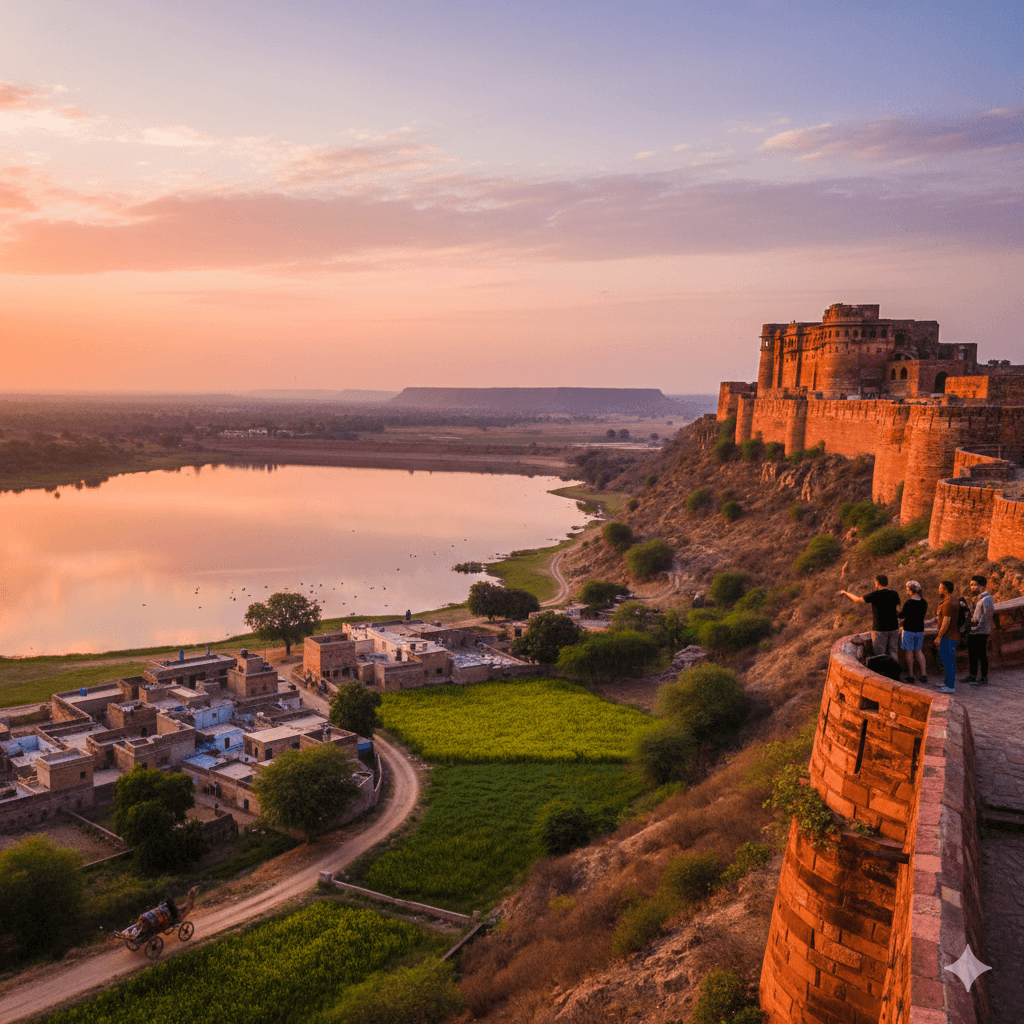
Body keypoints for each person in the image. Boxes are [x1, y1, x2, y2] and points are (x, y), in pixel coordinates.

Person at [839, 574, 901, 658]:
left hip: (880, 629)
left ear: (877, 582)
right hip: (894, 627)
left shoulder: (875, 595)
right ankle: (895, 666)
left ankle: (882, 667)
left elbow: (857, 599)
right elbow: (898, 610)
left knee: (880, 655)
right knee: (893, 652)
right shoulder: (894, 593)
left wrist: (846, 593)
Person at [897, 580, 928, 684]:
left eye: (908, 589)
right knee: (918, 651)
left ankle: (911, 675)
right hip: (919, 629)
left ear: (911, 590)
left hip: (909, 629)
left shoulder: (909, 602)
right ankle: (923, 674)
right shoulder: (924, 602)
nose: (907, 591)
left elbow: (902, 615)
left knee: (909, 651)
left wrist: (896, 610)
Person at [966, 574, 994, 685]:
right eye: (971, 585)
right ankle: (972, 676)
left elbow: (989, 615)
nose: (972, 587)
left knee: (982, 655)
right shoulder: (977, 599)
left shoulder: (987, 598)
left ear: (982, 586)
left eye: (975, 585)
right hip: (973, 630)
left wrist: (979, 627)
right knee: (972, 654)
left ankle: (983, 678)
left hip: (981, 631)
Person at [933, 580, 959, 693]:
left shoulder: (948, 603)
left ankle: (950, 686)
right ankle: (947, 682)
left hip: (948, 636)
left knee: (948, 661)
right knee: (947, 660)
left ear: (945, 589)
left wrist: (939, 636)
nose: (939, 590)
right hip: (952, 635)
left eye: (940, 588)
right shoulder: (953, 600)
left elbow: (946, 622)